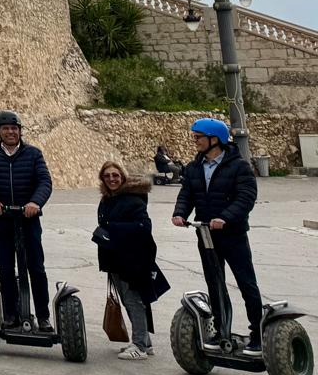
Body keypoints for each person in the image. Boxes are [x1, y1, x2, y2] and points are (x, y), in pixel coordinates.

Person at [171, 117, 263, 354]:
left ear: (215, 140)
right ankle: (221, 331)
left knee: (246, 284)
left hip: (233, 235)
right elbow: (186, 195)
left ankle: (258, 335)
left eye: (199, 138)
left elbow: (246, 197)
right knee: (215, 284)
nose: (196, 142)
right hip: (206, 235)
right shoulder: (194, 167)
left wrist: (226, 218)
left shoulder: (238, 166)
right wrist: (180, 213)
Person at [0, 109, 54, 331]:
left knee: (36, 268)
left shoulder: (33, 154)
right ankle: (11, 314)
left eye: (14, 128)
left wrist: (36, 203)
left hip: (28, 218)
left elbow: (44, 182)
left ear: (20, 131)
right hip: (2, 218)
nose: (10, 132)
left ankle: (43, 315)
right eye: (6, 129)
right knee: (6, 269)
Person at [95, 161, 169, 360]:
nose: (112, 179)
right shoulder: (108, 199)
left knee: (134, 301)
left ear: (123, 177)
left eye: (115, 175)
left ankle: (139, 347)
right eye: (107, 176)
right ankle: (144, 341)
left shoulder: (132, 200)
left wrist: (112, 228)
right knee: (131, 301)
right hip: (117, 258)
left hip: (133, 259)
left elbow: (144, 227)